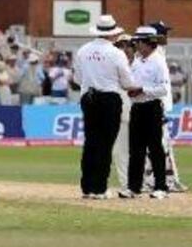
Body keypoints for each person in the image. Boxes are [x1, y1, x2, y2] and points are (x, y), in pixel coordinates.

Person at [72, 15, 139, 200]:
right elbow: (127, 82)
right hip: (109, 98)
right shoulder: (116, 53)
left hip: (88, 98)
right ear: (113, 33)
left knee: (91, 142)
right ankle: (100, 188)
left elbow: (77, 79)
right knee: (105, 144)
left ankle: (87, 188)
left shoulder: (83, 51)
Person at [121, 26, 170, 200]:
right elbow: (132, 82)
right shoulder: (137, 61)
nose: (136, 46)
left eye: (138, 42)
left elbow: (163, 89)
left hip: (152, 107)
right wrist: (131, 89)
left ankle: (161, 187)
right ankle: (133, 187)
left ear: (147, 43)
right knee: (136, 149)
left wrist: (142, 90)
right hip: (137, 108)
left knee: (155, 148)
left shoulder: (158, 61)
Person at [147, 21, 188, 193]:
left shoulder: (157, 53)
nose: (167, 37)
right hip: (157, 106)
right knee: (163, 145)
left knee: (154, 145)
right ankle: (170, 180)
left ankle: (150, 179)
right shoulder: (154, 55)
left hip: (158, 105)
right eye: (163, 33)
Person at [111, 34, 134, 194]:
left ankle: (146, 182)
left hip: (142, 113)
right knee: (120, 152)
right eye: (121, 46)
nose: (125, 50)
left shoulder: (141, 65)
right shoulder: (112, 67)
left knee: (144, 151)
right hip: (120, 114)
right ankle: (126, 184)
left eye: (128, 46)